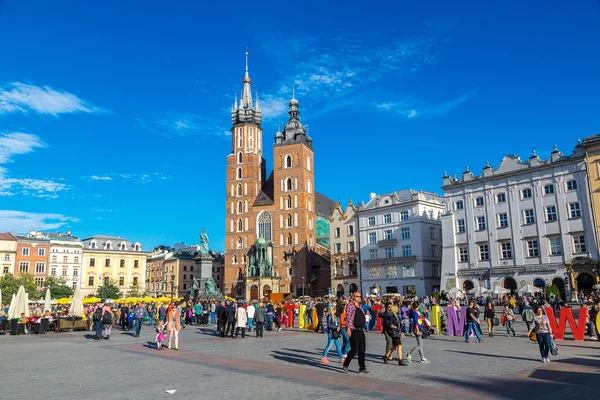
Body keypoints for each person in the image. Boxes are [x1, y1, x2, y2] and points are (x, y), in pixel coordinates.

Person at [342, 293, 369, 374]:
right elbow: (348, 318)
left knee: (362, 350)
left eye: (360, 296)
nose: (359, 297)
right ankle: (346, 363)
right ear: (353, 297)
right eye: (357, 296)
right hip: (354, 330)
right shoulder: (351, 305)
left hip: (361, 330)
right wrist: (349, 329)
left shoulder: (360, 306)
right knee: (354, 349)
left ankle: (362, 368)